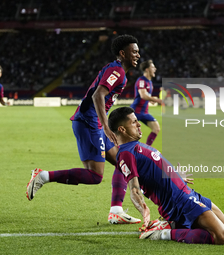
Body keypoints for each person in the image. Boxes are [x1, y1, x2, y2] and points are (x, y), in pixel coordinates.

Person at [26, 34, 142, 224]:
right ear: (123, 53)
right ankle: (43, 176)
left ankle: (116, 211)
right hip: (89, 122)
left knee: (123, 162)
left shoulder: (118, 70)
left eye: (138, 51)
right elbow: (98, 95)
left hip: (93, 122)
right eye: (134, 51)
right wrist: (106, 126)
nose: (138, 55)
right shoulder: (117, 71)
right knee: (95, 175)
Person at [108, 107, 224, 244]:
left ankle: (172, 225)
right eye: (134, 122)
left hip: (187, 192)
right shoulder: (126, 153)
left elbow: (152, 169)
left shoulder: (134, 146)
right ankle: (163, 233)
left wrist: (175, 176)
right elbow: (134, 189)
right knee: (221, 236)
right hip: (178, 201)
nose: (139, 124)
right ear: (122, 129)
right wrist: (144, 210)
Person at [130, 60, 162, 146]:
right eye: (153, 67)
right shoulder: (141, 80)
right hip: (136, 111)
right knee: (130, 135)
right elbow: (143, 95)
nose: (155, 69)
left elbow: (146, 96)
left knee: (156, 128)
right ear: (147, 69)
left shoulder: (150, 82)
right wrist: (158, 100)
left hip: (144, 112)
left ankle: (147, 149)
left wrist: (151, 99)